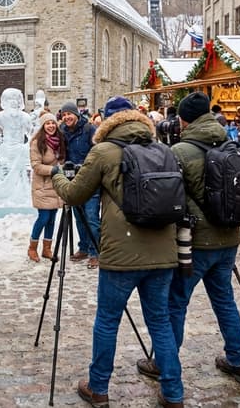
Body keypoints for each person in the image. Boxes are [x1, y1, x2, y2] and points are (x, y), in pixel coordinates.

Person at [52, 96, 184, 408]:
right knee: (161, 322)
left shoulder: (104, 151)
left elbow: (74, 194)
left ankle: (98, 387)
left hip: (121, 254)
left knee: (108, 320)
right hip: (163, 251)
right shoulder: (164, 150)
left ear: (108, 122)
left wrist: (57, 175)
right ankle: (174, 392)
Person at [138, 92, 240, 390]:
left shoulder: (181, 151)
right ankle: (239, 359)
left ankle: (164, 362)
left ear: (184, 120)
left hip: (195, 242)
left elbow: (170, 196)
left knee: (176, 303)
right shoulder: (230, 142)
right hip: (228, 237)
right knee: (225, 300)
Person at [59, 100, 101, 268]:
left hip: (91, 180)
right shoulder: (62, 130)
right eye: (64, 115)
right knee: (78, 217)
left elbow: (99, 151)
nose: (67, 117)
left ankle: (95, 252)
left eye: (69, 114)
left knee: (91, 217)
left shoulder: (90, 129)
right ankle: (83, 247)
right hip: (73, 180)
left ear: (76, 114)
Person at [27, 112, 66, 262]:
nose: (51, 126)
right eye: (47, 124)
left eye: (53, 123)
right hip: (42, 186)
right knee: (43, 218)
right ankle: (32, 248)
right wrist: (53, 170)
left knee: (51, 219)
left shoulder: (60, 140)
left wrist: (61, 168)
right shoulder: (37, 142)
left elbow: (62, 160)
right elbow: (36, 166)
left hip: (56, 186)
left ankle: (47, 249)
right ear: (43, 126)